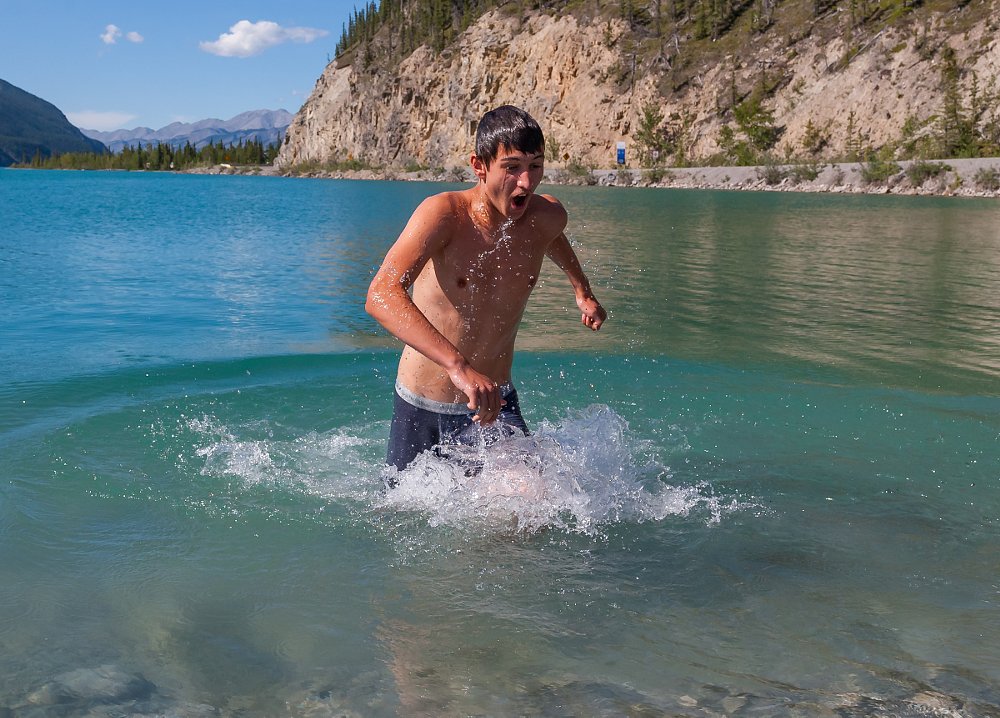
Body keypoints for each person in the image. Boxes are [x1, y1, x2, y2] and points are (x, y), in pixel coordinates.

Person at [366, 105, 607, 480]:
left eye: (535, 166)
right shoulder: (444, 215)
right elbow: (381, 294)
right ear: (479, 166)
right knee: (400, 519)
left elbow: (554, 240)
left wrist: (582, 291)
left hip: (496, 401)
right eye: (511, 168)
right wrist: (457, 366)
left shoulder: (546, 217)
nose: (526, 182)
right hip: (423, 407)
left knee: (530, 504)